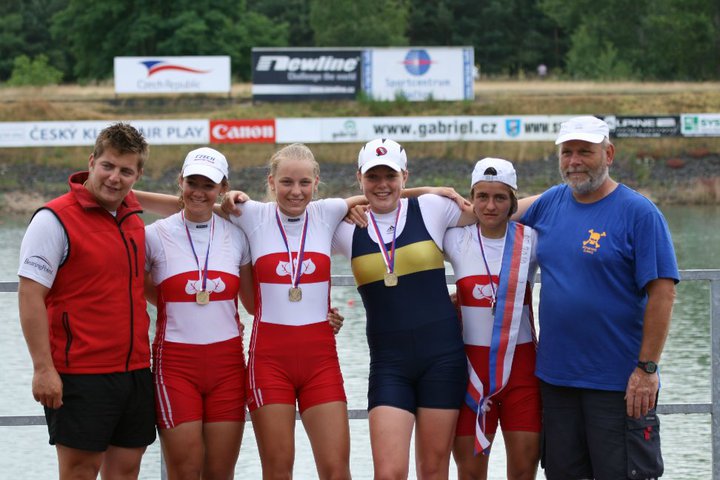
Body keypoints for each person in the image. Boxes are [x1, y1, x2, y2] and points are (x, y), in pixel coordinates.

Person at [137, 143, 356, 480]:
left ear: (316, 182)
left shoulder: (321, 213)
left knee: (333, 471)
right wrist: (172, 301)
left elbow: (381, 197)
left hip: (297, 362)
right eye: (286, 182)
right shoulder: (246, 216)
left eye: (304, 182)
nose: (295, 191)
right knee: (252, 470)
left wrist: (315, 311)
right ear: (271, 182)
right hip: (248, 364)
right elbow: (190, 207)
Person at [517, 116, 679, 479]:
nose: (574, 161)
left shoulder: (639, 213)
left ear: (608, 154)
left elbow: (663, 293)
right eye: (567, 152)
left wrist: (647, 369)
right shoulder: (550, 201)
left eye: (585, 152)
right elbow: (487, 213)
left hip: (618, 384)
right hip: (556, 380)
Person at [332, 138, 477, 479]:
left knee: (433, 471)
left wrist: (424, 192)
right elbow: (296, 222)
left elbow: (491, 213)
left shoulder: (431, 207)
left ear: (405, 176)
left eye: (391, 176)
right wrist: (351, 204)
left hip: (443, 359)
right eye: (373, 177)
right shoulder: (345, 227)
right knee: (389, 473)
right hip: (390, 365)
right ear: (359, 178)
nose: (382, 184)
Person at [17, 123, 155, 480]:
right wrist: (42, 369)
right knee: (79, 471)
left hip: (136, 370)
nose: (114, 177)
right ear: (91, 162)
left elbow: (184, 206)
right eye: (107, 166)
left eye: (126, 171)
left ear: (137, 175)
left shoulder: (132, 215)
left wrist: (221, 205)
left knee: (126, 471)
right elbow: (30, 295)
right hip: (80, 373)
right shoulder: (53, 219)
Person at [144, 147, 254, 479]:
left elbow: (254, 304)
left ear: (223, 188)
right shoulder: (154, 235)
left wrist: (322, 313)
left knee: (220, 472)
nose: (199, 192)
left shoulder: (238, 236)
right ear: (180, 181)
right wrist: (175, 304)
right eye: (192, 182)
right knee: (185, 470)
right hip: (176, 366)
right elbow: (143, 289)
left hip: (227, 366)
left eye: (209, 185)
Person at [443, 158, 540, 480]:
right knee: (470, 474)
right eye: (482, 196)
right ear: (471, 198)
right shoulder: (455, 238)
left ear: (513, 201)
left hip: (521, 369)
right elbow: (402, 213)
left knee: (524, 471)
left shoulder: (532, 240)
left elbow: (562, 197)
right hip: (471, 373)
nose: (490, 206)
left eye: (500, 197)